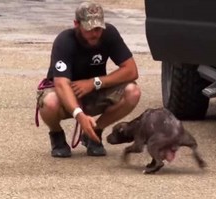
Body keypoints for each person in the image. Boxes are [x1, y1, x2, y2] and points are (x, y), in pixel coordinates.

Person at [36, 1, 141, 158]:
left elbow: (131, 70)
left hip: (94, 91)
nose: (94, 33)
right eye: (89, 28)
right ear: (76, 24)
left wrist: (95, 82)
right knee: (49, 101)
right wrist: (79, 115)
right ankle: (57, 135)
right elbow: (61, 83)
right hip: (67, 95)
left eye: (98, 28)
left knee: (133, 92)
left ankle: (94, 132)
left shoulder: (109, 34)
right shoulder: (64, 41)